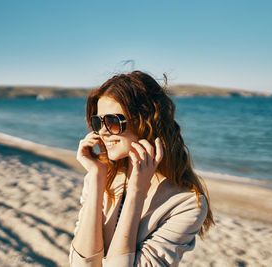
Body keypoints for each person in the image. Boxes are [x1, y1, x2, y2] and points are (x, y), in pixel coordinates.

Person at [70, 71, 214, 266]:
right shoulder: (100, 179)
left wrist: (136, 194)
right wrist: (96, 178)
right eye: (98, 122)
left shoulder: (186, 204)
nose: (102, 131)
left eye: (112, 121)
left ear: (146, 123)